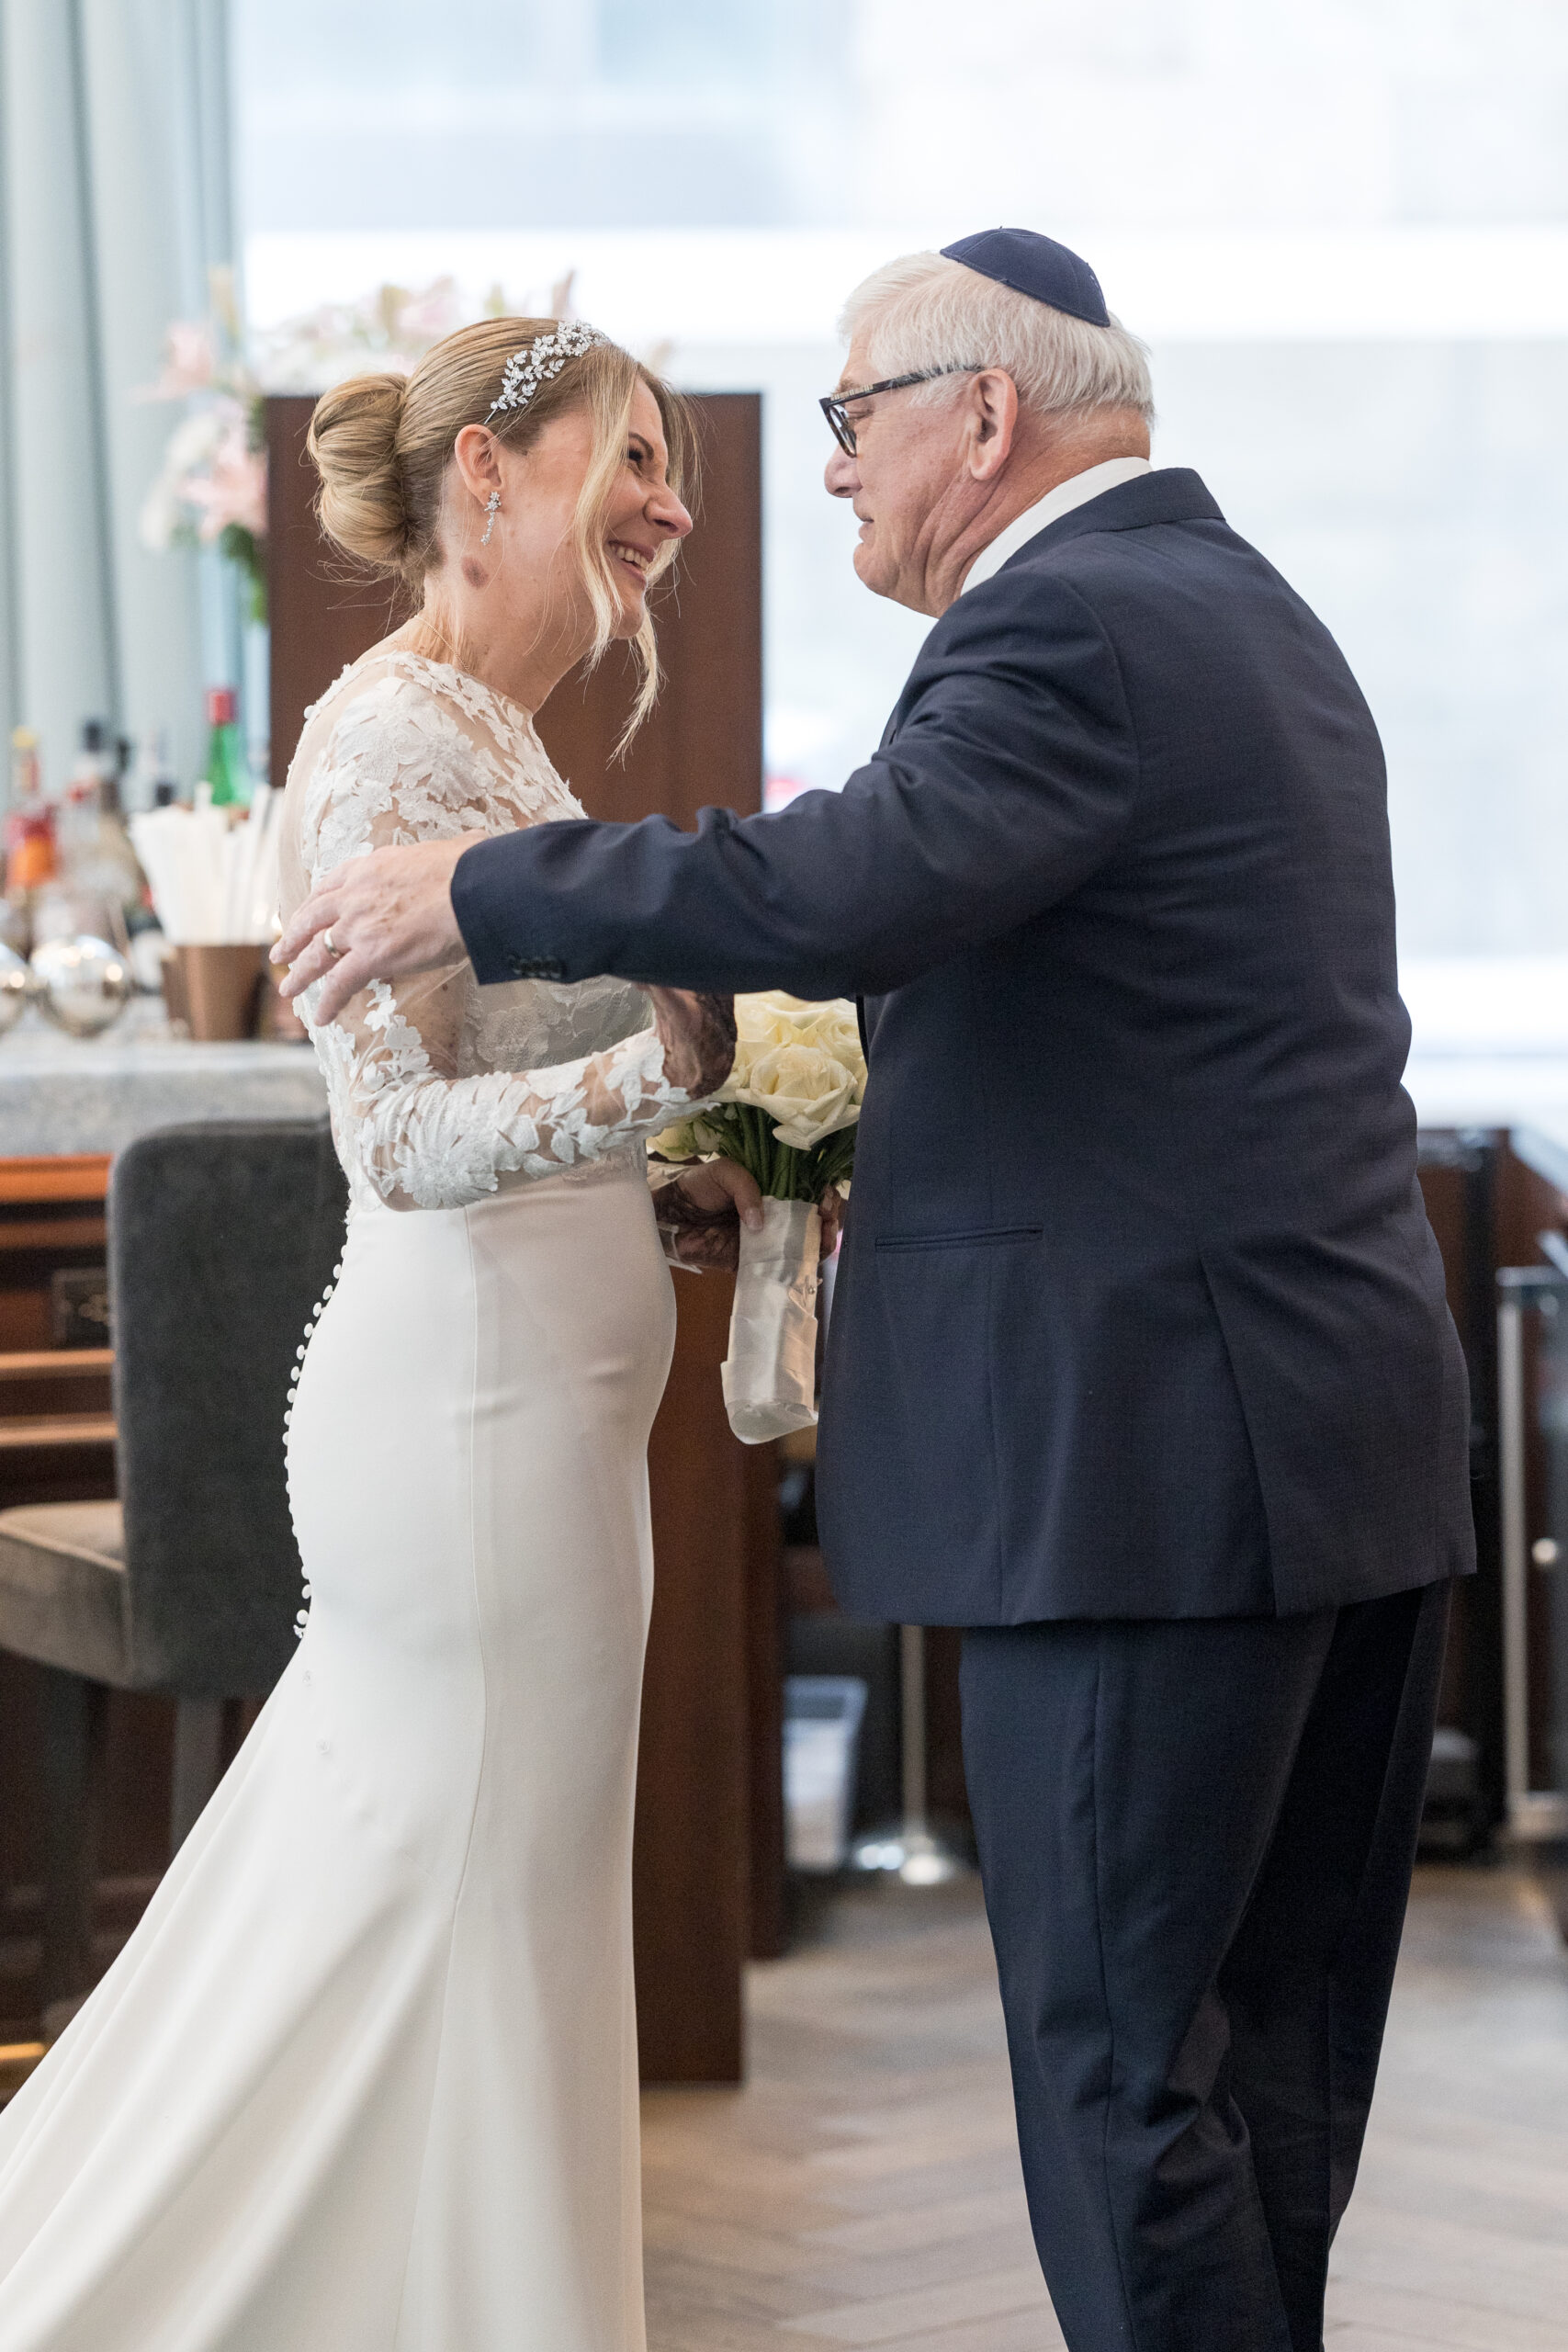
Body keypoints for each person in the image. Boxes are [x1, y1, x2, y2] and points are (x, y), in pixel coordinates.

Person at [278, 231, 1474, 2352]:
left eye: (846, 422)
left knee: (1120, 2078)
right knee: (1264, 2075)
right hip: (1335, 1445)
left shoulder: (1067, 626)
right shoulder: (1250, 612)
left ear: (980, 416)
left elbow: (842, 880)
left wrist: (472, 886)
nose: (822, 474)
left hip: (1148, 1475)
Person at [0, 317, 797, 2351]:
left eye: (674, 467)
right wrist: (683, 1057)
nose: (668, 506)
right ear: (487, 477)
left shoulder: (501, 744)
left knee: (488, 1940)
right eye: (630, 454)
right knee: (429, 1923)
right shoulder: (377, 750)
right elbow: (408, 1143)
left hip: (548, 1423)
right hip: (460, 1432)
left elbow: (531, 1094)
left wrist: (692, 1160)